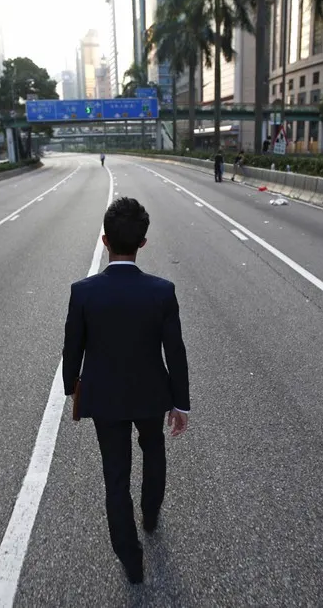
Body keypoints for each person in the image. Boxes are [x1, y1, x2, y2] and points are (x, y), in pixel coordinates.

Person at [62, 197, 190, 585]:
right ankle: (150, 514)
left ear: (104, 241)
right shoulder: (162, 291)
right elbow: (176, 350)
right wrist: (180, 403)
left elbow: (73, 347)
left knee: (115, 476)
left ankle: (130, 559)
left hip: (106, 398)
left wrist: (73, 389)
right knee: (153, 452)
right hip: (152, 394)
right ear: (143, 243)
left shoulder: (83, 292)